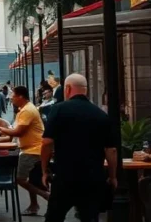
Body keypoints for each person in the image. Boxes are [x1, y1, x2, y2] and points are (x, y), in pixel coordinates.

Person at [39, 74, 117, 222]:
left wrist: (44, 170)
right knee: (89, 217)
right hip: (92, 175)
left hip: (65, 175)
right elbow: (111, 150)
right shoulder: (100, 114)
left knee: (54, 217)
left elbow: (47, 143)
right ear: (85, 90)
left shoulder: (58, 110)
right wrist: (112, 176)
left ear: (67, 89)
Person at [0, 85, 48, 216]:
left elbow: (18, 132)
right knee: (31, 179)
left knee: (20, 178)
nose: (11, 99)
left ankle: (47, 197)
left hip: (33, 150)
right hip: (32, 148)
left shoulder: (27, 111)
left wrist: (1, 129)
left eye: (13, 96)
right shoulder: (25, 109)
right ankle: (34, 205)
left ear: (20, 96)